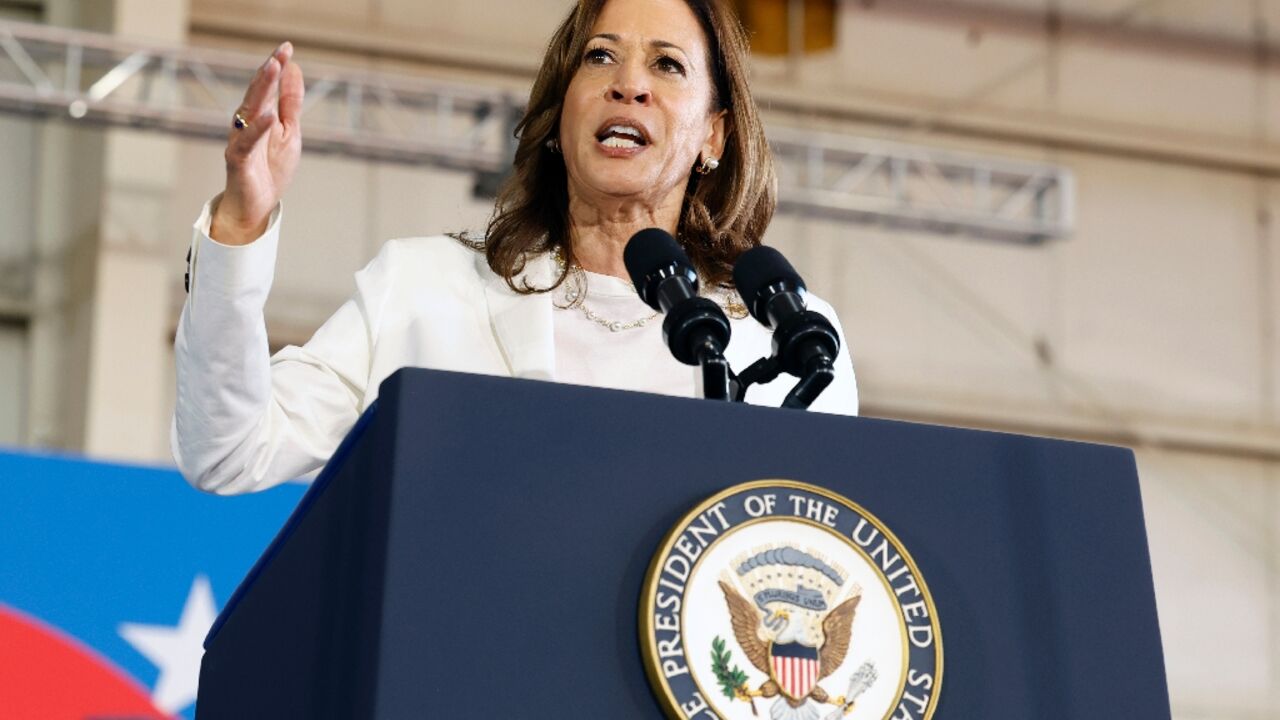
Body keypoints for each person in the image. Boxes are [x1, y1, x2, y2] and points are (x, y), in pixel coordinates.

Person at [173, 0, 859, 495]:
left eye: (668, 65)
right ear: (560, 117)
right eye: (600, 57)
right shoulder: (424, 289)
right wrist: (241, 223)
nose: (630, 83)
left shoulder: (786, 343)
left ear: (715, 135)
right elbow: (230, 451)